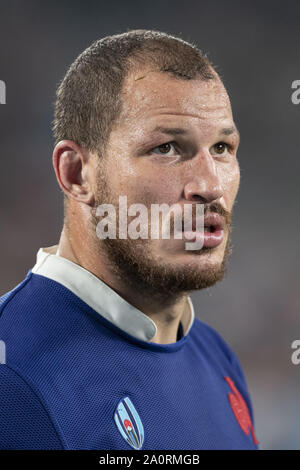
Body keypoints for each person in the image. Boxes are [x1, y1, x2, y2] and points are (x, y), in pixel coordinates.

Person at [0, 29, 259, 450]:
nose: (210, 184)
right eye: (168, 148)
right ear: (77, 174)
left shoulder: (216, 357)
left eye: (222, 147)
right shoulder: (11, 379)